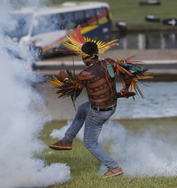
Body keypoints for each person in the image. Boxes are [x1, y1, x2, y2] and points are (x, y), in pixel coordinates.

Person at [48, 26, 146, 178]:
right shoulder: (109, 63)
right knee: (82, 109)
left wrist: (65, 79)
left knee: (90, 143)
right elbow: (126, 71)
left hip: (98, 112)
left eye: (82, 56)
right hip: (111, 106)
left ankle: (114, 167)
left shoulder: (84, 74)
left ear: (85, 57)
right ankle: (67, 140)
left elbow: (75, 92)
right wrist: (126, 88)